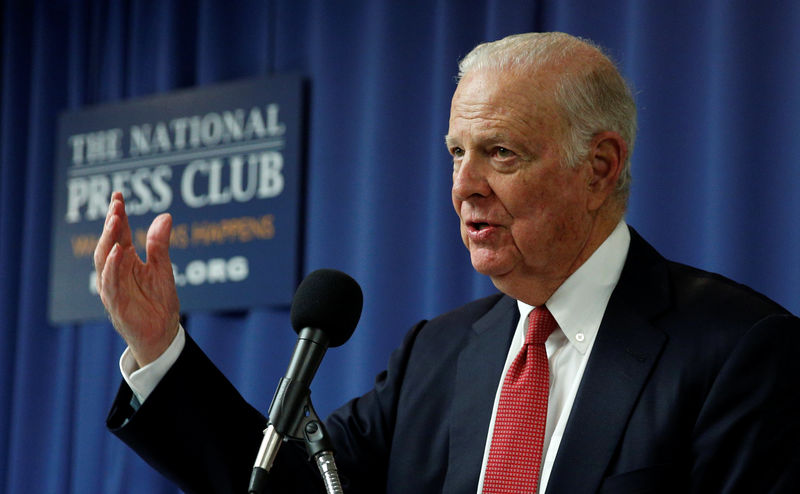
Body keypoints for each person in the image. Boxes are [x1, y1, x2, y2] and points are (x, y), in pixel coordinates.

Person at [97, 32, 800, 493]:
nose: (464, 186)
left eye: (501, 153)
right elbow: (291, 486)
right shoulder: (436, 353)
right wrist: (160, 347)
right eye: (456, 153)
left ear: (600, 166)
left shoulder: (737, 350)